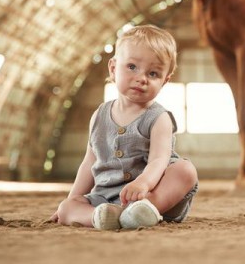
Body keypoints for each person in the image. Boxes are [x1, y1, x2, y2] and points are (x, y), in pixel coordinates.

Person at [50, 24, 198, 230]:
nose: (141, 78)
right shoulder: (99, 115)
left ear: (165, 81)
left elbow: (159, 159)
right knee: (67, 208)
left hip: (151, 192)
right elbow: (89, 162)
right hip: (105, 197)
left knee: (185, 170)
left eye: (153, 73)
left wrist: (144, 184)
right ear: (113, 68)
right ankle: (101, 217)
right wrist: (73, 198)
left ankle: (144, 211)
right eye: (132, 67)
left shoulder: (158, 118)